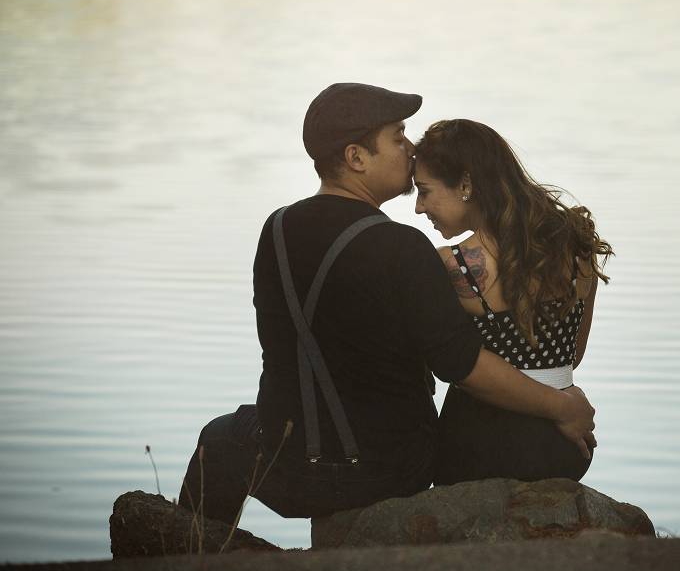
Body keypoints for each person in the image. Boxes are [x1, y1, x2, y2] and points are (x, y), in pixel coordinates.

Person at [178, 84, 596, 525]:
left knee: (218, 439)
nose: (410, 148)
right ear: (357, 157)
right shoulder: (403, 248)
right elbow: (461, 362)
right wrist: (560, 404)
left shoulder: (277, 229)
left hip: (289, 464)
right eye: (397, 136)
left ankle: (193, 553)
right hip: (391, 471)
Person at [413, 119, 613, 486]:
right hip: (564, 443)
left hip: (478, 443)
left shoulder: (452, 265)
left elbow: (457, 365)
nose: (419, 208)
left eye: (424, 191)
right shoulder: (578, 244)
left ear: (466, 184)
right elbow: (573, 356)